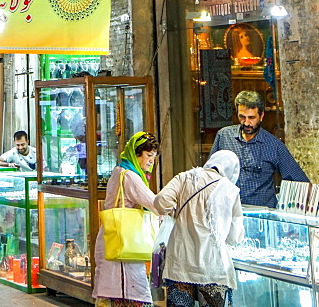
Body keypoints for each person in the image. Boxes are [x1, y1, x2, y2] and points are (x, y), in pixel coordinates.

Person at [154, 151, 244, 307]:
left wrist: (175, 212)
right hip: (213, 267)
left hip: (181, 265)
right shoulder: (230, 190)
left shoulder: (185, 177)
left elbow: (161, 201)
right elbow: (234, 237)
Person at [92, 131, 159, 306]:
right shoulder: (130, 176)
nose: (151, 161)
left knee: (112, 295)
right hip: (125, 243)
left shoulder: (119, 171)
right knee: (131, 293)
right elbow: (154, 204)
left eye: (154, 156)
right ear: (136, 154)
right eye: (148, 155)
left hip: (112, 239)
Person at [209, 90, 308, 207]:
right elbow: (210, 174)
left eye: (251, 117)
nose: (246, 123)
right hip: (229, 212)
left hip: (261, 215)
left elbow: (300, 181)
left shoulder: (273, 145)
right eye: (242, 117)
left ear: (261, 116)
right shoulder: (224, 136)